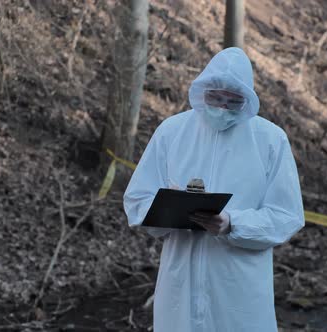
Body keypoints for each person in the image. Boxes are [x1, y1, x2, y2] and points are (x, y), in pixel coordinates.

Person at [123, 47, 305, 332]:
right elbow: (137, 198)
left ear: (246, 100)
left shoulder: (269, 140)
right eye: (215, 97)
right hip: (180, 280)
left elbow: (286, 214)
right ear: (203, 91)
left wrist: (233, 223)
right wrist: (167, 212)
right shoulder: (173, 132)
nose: (222, 107)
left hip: (239, 287)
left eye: (232, 101)